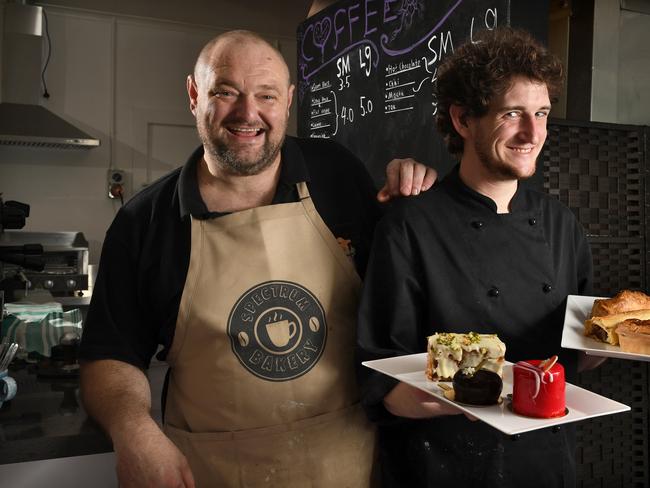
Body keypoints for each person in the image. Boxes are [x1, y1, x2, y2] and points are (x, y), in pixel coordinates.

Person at [78, 30, 436, 488]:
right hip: (215, 472)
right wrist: (134, 430)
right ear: (194, 95)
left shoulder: (337, 173)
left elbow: (396, 289)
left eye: (265, 95)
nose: (248, 114)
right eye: (226, 92)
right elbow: (110, 355)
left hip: (348, 463)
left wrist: (412, 194)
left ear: (287, 101)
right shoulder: (145, 221)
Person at [357, 27, 600, 487]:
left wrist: (621, 345)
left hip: (546, 461)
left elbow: (581, 352)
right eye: (513, 114)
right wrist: (450, 396)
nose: (533, 133)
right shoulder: (412, 225)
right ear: (464, 120)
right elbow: (379, 379)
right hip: (445, 464)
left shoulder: (561, 224)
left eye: (542, 113)